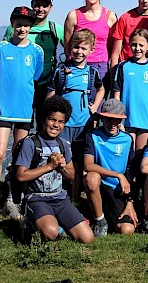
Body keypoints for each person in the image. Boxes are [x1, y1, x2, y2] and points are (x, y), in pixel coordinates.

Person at [0, 6, 44, 221]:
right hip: (4, 111)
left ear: (30, 27)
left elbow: (35, 77)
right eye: (18, 24)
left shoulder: (36, 51)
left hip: (24, 113)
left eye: (26, 24)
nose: (22, 28)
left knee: (18, 159)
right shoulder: (2, 48)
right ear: (12, 24)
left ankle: (13, 199)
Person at [16, 95, 94, 244]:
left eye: (61, 122)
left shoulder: (63, 144)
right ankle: (31, 223)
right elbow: (21, 176)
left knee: (87, 238)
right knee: (50, 233)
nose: (55, 125)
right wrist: (49, 166)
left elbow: (71, 176)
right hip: (37, 198)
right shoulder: (30, 143)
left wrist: (61, 167)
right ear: (43, 119)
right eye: (52, 119)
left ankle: (56, 222)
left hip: (60, 199)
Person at [47, 28, 105, 200]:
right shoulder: (61, 71)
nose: (79, 52)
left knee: (80, 163)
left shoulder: (92, 72)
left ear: (91, 50)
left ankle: (76, 197)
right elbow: (51, 92)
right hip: (63, 125)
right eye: (76, 47)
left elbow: (101, 88)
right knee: (61, 161)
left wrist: (96, 105)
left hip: (83, 124)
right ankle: (60, 194)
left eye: (83, 48)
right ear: (70, 47)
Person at [3, 0, 65, 125]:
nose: (41, 9)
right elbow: (4, 55)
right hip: (20, 84)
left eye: (45, 5)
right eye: (37, 4)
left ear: (51, 7)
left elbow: (70, 51)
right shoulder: (14, 28)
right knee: (21, 125)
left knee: (44, 124)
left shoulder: (57, 30)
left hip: (46, 85)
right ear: (32, 4)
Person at [84, 98, 137, 237]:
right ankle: (99, 220)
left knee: (127, 230)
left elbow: (131, 172)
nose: (113, 123)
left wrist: (130, 201)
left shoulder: (128, 139)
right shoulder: (93, 135)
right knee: (91, 177)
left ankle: (109, 220)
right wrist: (118, 175)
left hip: (117, 190)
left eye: (117, 120)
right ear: (102, 118)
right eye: (109, 119)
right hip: (100, 185)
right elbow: (88, 165)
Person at [112, 29, 148, 152]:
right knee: (129, 152)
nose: (137, 48)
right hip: (127, 120)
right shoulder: (123, 66)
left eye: (141, 45)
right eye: (134, 45)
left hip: (146, 121)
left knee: (141, 153)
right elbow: (116, 95)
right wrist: (119, 120)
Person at [63, 0, 117, 83]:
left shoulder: (110, 16)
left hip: (100, 66)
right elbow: (67, 45)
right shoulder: (73, 15)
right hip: (76, 65)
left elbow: (112, 47)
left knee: (99, 99)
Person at [109, 0, 148, 68]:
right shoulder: (125, 18)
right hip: (127, 66)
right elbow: (115, 53)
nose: (145, 0)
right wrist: (113, 78)